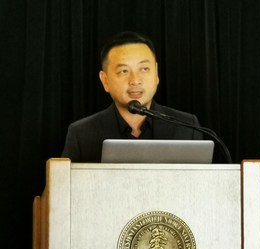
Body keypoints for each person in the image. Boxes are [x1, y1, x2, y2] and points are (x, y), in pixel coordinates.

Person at [61, 31, 203, 162]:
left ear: (156, 73)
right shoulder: (82, 134)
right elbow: (62, 187)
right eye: (123, 71)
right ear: (105, 81)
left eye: (144, 69)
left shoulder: (187, 127)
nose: (135, 80)